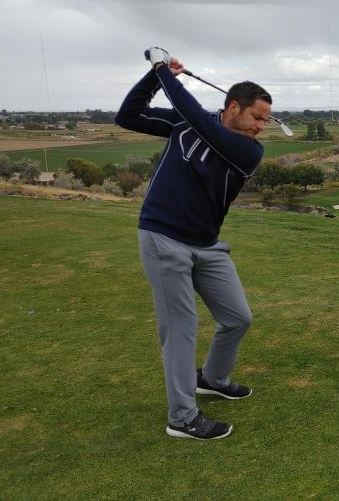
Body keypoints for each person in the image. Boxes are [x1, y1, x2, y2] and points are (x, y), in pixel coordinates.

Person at [116, 47, 271, 440]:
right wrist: (156, 76)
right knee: (181, 328)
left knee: (238, 317)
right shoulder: (184, 123)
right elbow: (128, 115)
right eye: (257, 117)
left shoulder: (248, 151)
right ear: (234, 107)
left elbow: (200, 121)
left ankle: (212, 379)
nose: (260, 127)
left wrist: (161, 69)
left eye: (265, 121)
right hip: (163, 237)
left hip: (207, 244)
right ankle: (182, 418)